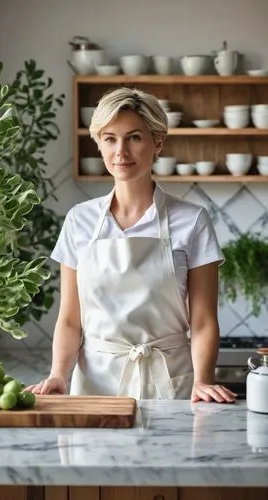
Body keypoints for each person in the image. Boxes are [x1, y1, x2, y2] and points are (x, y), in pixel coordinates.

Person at [27, 87, 236, 403]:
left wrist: (203, 380)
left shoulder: (192, 220)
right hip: (94, 388)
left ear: (158, 143)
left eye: (134, 137)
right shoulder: (79, 220)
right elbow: (70, 319)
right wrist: (58, 374)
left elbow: (204, 320)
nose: (121, 151)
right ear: (99, 145)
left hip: (170, 384)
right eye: (110, 138)